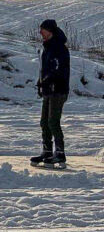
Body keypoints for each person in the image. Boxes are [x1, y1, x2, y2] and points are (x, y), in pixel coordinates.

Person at [31, 20, 70, 168]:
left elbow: (60, 69)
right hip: (48, 90)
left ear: (50, 31)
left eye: (43, 30)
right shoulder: (46, 47)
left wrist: (49, 80)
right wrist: (41, 82)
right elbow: (45, 69)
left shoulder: (59, 47)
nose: (40, 33)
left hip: (58, 90)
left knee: (53, 121)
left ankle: (60, 153)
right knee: (44, 122)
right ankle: (47, 151)